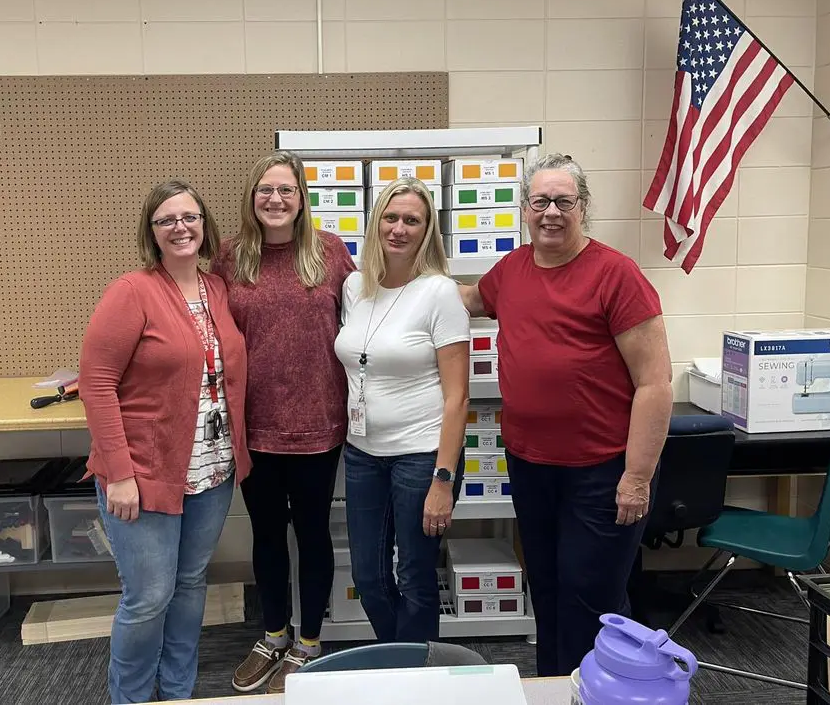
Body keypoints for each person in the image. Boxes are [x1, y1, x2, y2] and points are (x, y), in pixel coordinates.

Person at [458, 153, 673, 677]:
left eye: (563, 201)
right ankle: (555, 688)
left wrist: (637, 477)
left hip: (601, 472)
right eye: (540, 202)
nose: (551, 212)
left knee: (589, 600)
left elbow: (655, 383)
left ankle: (598, 688)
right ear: (525, 210)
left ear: (583, 208)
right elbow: (467, 299)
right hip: (532, 466)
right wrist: (396, 288)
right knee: (548, 591)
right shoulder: (512, 269)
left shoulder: (615, 274)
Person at [79, 179, 251, 704]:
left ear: (205, 226)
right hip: (145, 473)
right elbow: (96, 382)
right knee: (149, 597)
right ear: (151, 233)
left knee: (191, 583)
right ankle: (129, 698)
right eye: (167, 220)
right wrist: (121, 474)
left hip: (212, 469)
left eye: (190, 217)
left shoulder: (217, 289)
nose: (181, 227)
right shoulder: (132, 291)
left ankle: (178, 691)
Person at [213, 152, 356, 693]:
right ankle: (273, 634)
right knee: (267, 535)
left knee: (313, 534)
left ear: (302, 199)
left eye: (286, 190)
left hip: (319, 425)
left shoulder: (330, 253)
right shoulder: (231, 259)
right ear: (252, 198)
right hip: (254, 428)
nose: (275, 199)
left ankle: (309, 644)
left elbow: (367, 315)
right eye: (265, 190)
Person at [333, 177, 469, 643]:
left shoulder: (439, 293)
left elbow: (458, 398)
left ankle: (416, 677)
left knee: (414, 576)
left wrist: (443, 480)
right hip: (361, 453)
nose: (399, 229)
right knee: (369, 578)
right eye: (390, 218)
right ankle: (398, 659)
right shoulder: (354, 287)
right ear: (375, 224)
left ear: (428, 229)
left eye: (412, 220)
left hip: (421, 455)